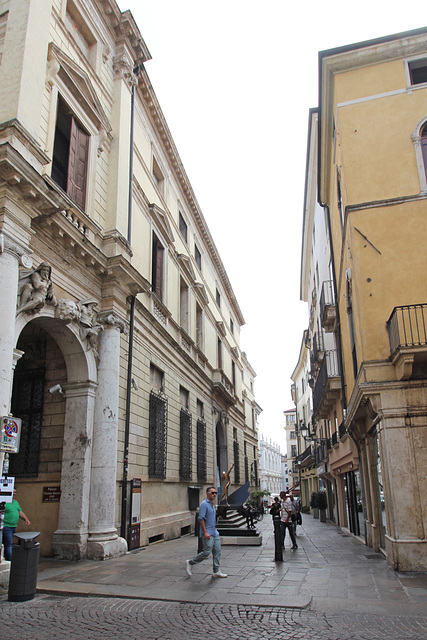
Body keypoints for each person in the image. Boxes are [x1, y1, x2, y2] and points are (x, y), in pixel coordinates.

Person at [186, 487, 227, 578]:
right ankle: (190, 562)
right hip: (208, 532)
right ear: (207, 493)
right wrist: (205, 532)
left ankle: (216, 571)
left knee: (217, 551)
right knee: (206, 552)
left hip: (214, 532)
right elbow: (201, 519)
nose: (214, 494)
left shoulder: (212, 505)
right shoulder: (204, 504)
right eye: (212, 493)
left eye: (215, 493)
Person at [1, 489, 31, 561]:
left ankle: (6, 557)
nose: (14, 494)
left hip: (13, 526)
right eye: (13, 492)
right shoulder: (4, 502)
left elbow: (20, 512)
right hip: (6, 526)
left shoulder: (15, 502)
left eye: (15, 492)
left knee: (8, 543)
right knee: (8, 543)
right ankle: (9, 559)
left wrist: (26, 519)